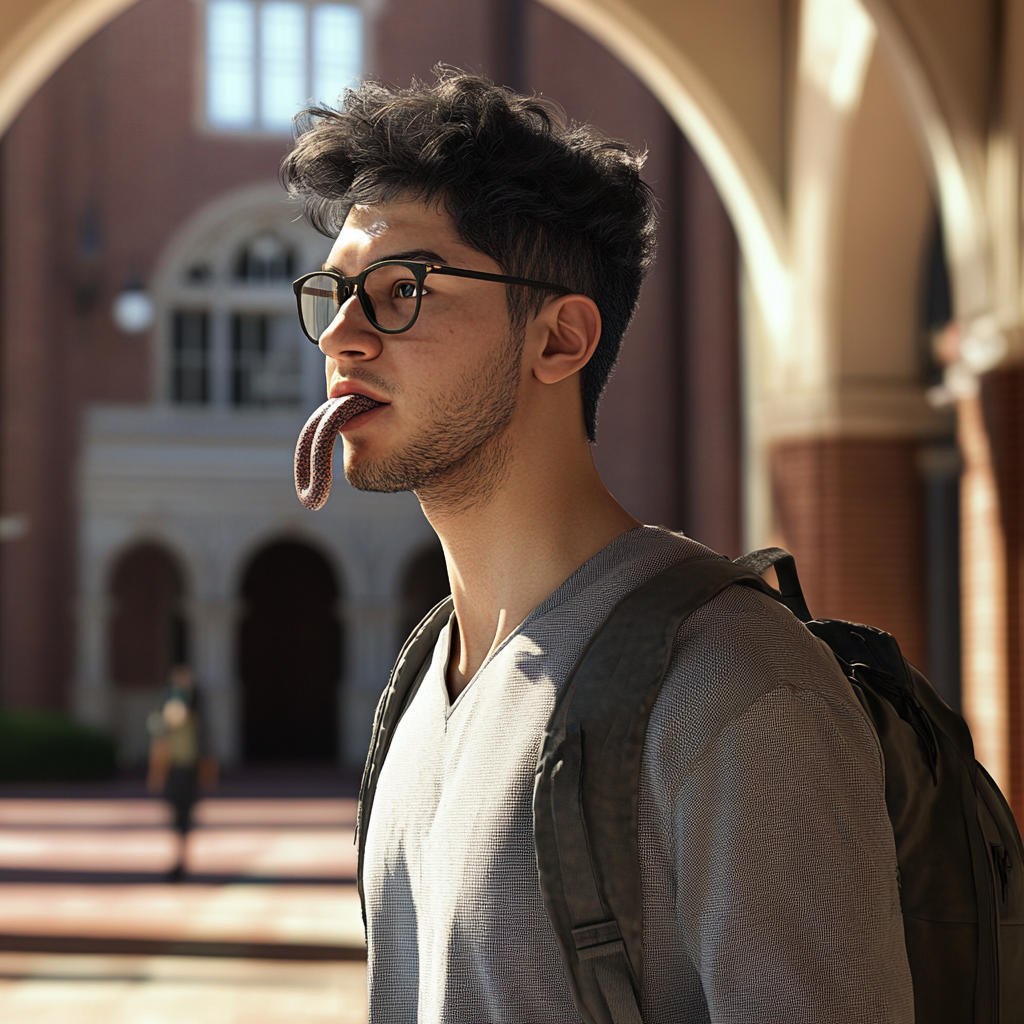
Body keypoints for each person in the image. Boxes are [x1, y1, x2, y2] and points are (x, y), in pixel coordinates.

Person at [282, 70, 913, 1022]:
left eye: (400, 290)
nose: (340, 333)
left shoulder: (735, 687)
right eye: (334, 291)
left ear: (559, 339)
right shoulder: (420, 684)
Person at [146, 664, 217, 881]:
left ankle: (181, 860)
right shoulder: (169, 706)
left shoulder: (195, 710)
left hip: (189, 769)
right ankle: (178, 861)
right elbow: (158, 732)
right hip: (174, 767)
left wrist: (207, 770)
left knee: (185, 816)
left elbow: (204, 741)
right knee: (176, 816)